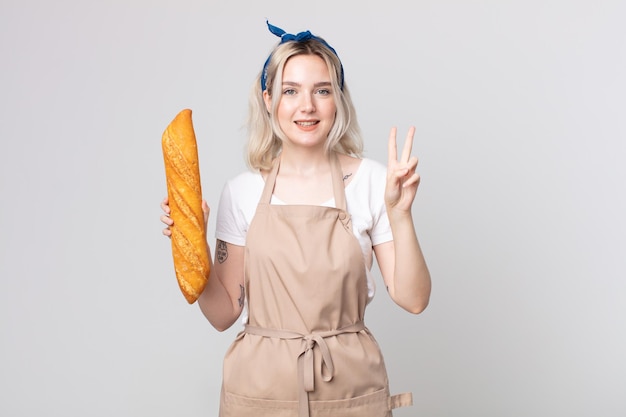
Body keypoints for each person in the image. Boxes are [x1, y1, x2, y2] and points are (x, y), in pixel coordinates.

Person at [160, 21, 431, 417]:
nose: (307, 106)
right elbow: (222, 315)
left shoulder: (373, 181)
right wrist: (194, 242)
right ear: (268, 99)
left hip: (350, 392)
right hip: (259, 393)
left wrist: (401, 215)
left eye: (322, 90)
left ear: (338, 100)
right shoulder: (242, 192)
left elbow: (414, 298)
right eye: (291, 91)